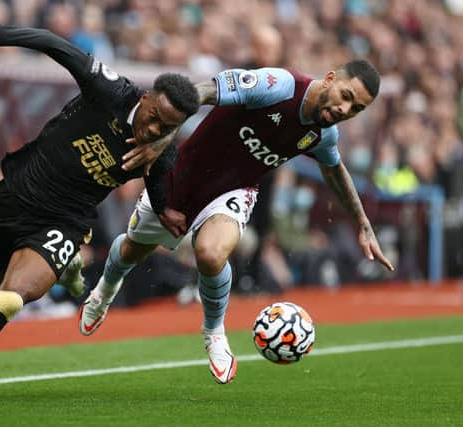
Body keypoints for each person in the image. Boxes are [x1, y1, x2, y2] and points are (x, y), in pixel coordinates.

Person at [0, 18, 199, 402]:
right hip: (14, 197)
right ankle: (65, 268)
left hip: (63, 222)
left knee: (9, 300)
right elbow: (56, 45)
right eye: (155, 119)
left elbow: (155, 184)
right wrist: (2, 36)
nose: (154, 131)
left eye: (166, 128)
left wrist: (165, 210)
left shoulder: (161, 151)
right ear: (148, 98)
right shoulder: (110, 90)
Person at [77, 60, 395, 384]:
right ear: (330, 79)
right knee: (133, 250)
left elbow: (334, 168)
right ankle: (105, 290)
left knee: (211, 254)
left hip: (233, 190)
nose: (345, 108)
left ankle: (214, 331)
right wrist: (162, 138)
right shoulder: (277, 86)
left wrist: (363, 223)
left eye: (355, 108)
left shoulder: (323, 134)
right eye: (345, 95)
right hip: (182, 176)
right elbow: (202, 91)